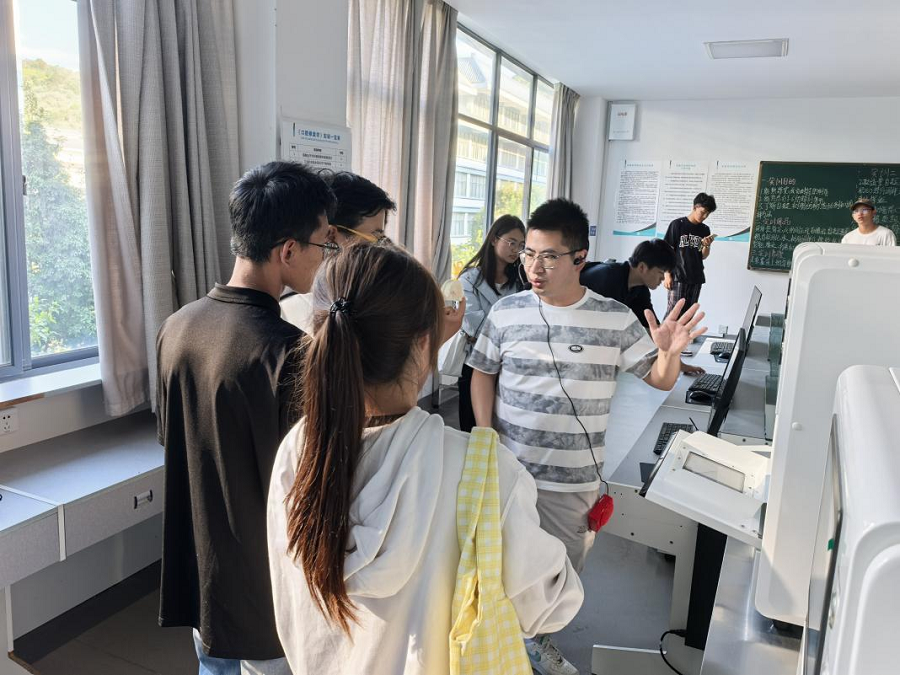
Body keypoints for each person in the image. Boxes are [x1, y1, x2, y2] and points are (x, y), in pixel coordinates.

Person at [266, 243, 583, 675]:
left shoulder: (298, 450)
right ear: (422, 344)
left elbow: (289, 601)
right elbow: (549, 608)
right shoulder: (484, 474)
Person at [468, 198, 705, 675]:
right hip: (508, 472)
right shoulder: (506, 312)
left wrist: (670, 353)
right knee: (498, 565)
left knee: (560, 575)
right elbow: (482, 372)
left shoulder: (614, 318)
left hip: (574, 480)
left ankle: (535, 639)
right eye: (528, 254)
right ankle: (507, 646)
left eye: (549, 256)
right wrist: (486, 437)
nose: (534, 267)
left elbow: (659, 379)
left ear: (580, 257)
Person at [156, 161, 338, 675]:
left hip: (203, 581)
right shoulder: (292, 353)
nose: (327, 257)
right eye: (324, 244)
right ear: (288, 250)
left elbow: (175, 440)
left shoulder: (176, 327)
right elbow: (311, 489)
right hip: (268, 595)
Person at [281, 170, 464, 339]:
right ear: (331, 235)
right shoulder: (298, 309)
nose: (380, 248)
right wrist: (437, 338)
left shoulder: (360, 293)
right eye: (375, 237)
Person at [581, 239, 704, 375]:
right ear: (642, 267)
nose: (663, 278)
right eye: (661, 272)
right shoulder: (607, 278)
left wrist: (678, 364)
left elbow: (654, 332)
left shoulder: (639, 289)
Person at [457, 214, 526, 432]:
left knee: (506, 429)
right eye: (511, 242)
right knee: (473, 428)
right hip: (475, 363)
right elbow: (473, 325)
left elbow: (525, 323)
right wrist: (509, 331)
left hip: (510, 367)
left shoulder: (521, 282)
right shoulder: (469, 279)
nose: (516, 250)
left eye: (521, 245)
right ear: (495, 239)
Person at [663, 192, 717, 317]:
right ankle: (662, 331)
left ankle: (682, 332)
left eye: (708, 214)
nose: (705, 216)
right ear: (694, 207)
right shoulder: (677, 225)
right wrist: (667, 275)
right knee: (673, 314)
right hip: (678, 277)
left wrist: (706, 245)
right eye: (703, 212)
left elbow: (703, 256)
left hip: (696, 278)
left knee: (688, 316)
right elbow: (666, 251)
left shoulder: (705, 229)